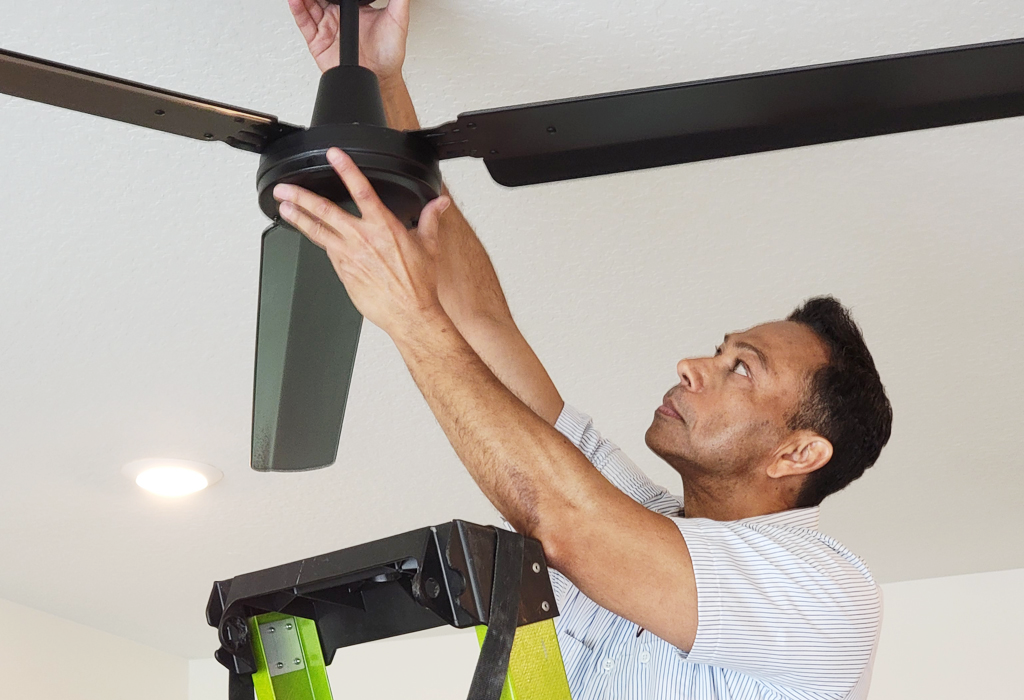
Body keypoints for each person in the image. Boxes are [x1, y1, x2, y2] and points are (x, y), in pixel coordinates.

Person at [281, 2, 893, 698]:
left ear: (798, 454)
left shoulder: (828, 596)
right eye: (721, 352)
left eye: (741, 368)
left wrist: (412, 319)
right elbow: (482, 322)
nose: (692, 366)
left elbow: (568, 523)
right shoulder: (628, 510)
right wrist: (373, 81)